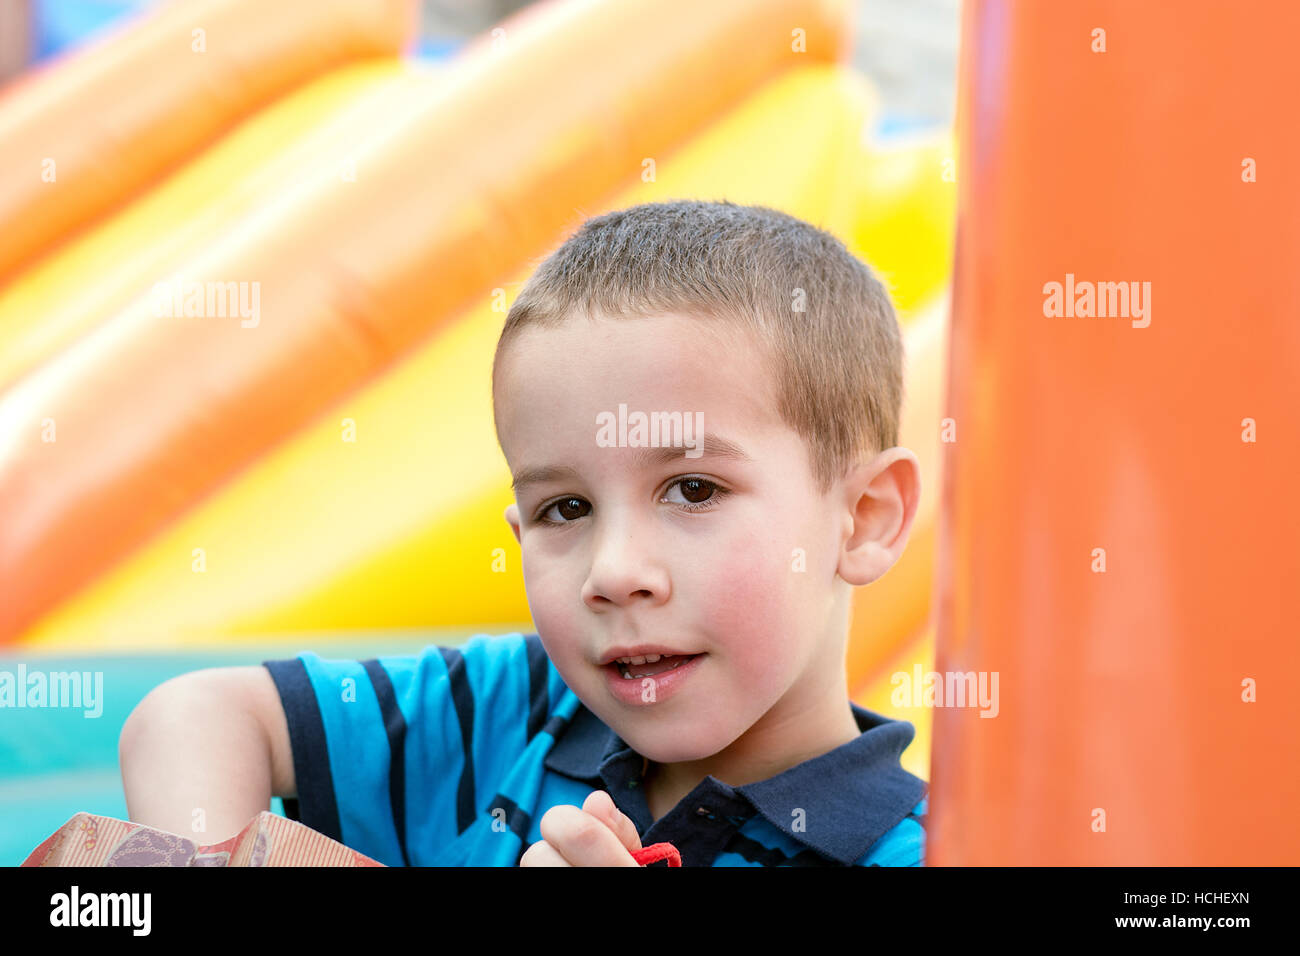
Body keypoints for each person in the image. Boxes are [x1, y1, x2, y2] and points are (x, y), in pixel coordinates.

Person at [119, 199, 928, 866]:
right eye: (565, 510)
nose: (613, 571)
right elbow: (191, 714)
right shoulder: (512, 713)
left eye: (691, 488)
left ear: (863, 518)